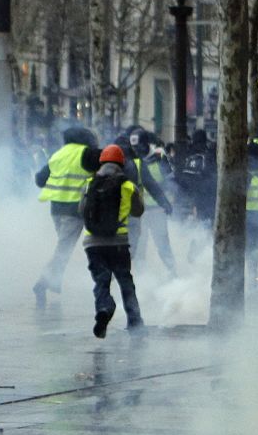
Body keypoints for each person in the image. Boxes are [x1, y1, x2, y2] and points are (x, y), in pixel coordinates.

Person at [81, 143, 144, 337]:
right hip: (118, 243)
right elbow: (138, 211)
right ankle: (135, 322)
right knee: (125, 281)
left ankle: (104, 307)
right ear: (121, 163)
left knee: (101, 281)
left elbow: (81, 210)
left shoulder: (89, 183)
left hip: (93, 244)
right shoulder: (127, 185)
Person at [32, 125, 100, 305]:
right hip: (75, 210)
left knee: (65, 247)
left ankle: (54, 282)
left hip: (57, 210)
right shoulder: (87, 154)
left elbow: (40, 179)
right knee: (64, 250)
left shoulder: (58, 154)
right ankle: (43, 282)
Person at [123, 129, 177, 278]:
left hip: (157, 210)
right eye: (133, 147)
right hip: (139, 211)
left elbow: (170, 180)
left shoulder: (160, 157)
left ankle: (173, 273)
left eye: (139, 146)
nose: (136, 150)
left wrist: (165, 201)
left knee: (162, 244)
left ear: (146, 144)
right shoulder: (133, 161)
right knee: (139, 246)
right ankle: (142, 277)